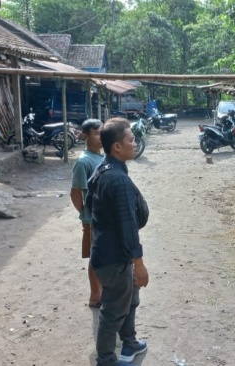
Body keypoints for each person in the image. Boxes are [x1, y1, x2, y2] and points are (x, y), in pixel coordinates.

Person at [85, 118, 149, 366]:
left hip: (109, 253)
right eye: (131, 140)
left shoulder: (102, 169)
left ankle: (130, 342)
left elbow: (91, 206)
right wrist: (139, 263)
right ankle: (107, 360)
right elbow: (127, 225)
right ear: (117, 147)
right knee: (112, 312)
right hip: (115, 259)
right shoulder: (118, 179)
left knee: (129, 300)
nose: (135, 144)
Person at [70, 119, 104, 308]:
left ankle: (102, 291)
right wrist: (85, 214)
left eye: (102, 132)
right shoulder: (84, 162)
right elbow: (75, 192)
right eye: (96, 133)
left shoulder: (101, 157)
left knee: (103, 255)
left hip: (103, 218)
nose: (100, 137)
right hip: (93, 220)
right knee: (95, 257)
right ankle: (95, 295)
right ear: (86, 135)